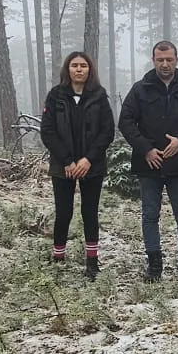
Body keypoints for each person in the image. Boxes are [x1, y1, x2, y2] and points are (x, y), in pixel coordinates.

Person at [118, 40, 178, 281]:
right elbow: (126, 122)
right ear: (153, 61)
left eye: (169, 59)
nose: (165, 64)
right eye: (160, 60)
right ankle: (154, 264)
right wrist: (146, 149)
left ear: (177, 60)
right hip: (149, 164)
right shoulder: (141, 89)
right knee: (149, 215)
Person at [40, 51, 116, 278]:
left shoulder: (99, 96)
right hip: (62, 167)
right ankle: (58, 257)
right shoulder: (55, 96)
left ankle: (92, 262)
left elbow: (107, 132)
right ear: (68, 69)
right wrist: (67, 161)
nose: (79, 69)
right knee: (64, 212)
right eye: (75, 65)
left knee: (90, 212)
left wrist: (87, 160)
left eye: (83, 65)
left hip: (92, 166)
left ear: (90, 70)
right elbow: (48, 131)